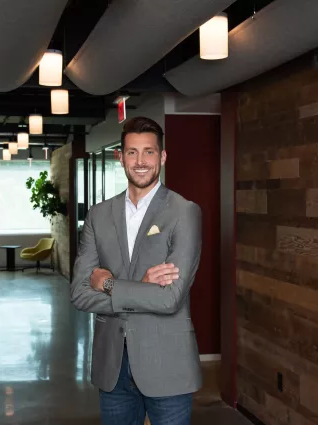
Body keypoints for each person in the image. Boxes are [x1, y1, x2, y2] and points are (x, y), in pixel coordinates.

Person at [70, 116, 203, 425]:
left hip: (168, 364)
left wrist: (111, 285)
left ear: (163, 156)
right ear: (121, 157)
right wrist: (142, 287)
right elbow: (78, 292)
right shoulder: (98, 215)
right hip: (112, 366)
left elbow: (170, 299)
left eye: (149, 152)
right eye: (132, 152)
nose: (140, 161)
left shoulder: (184, 213)